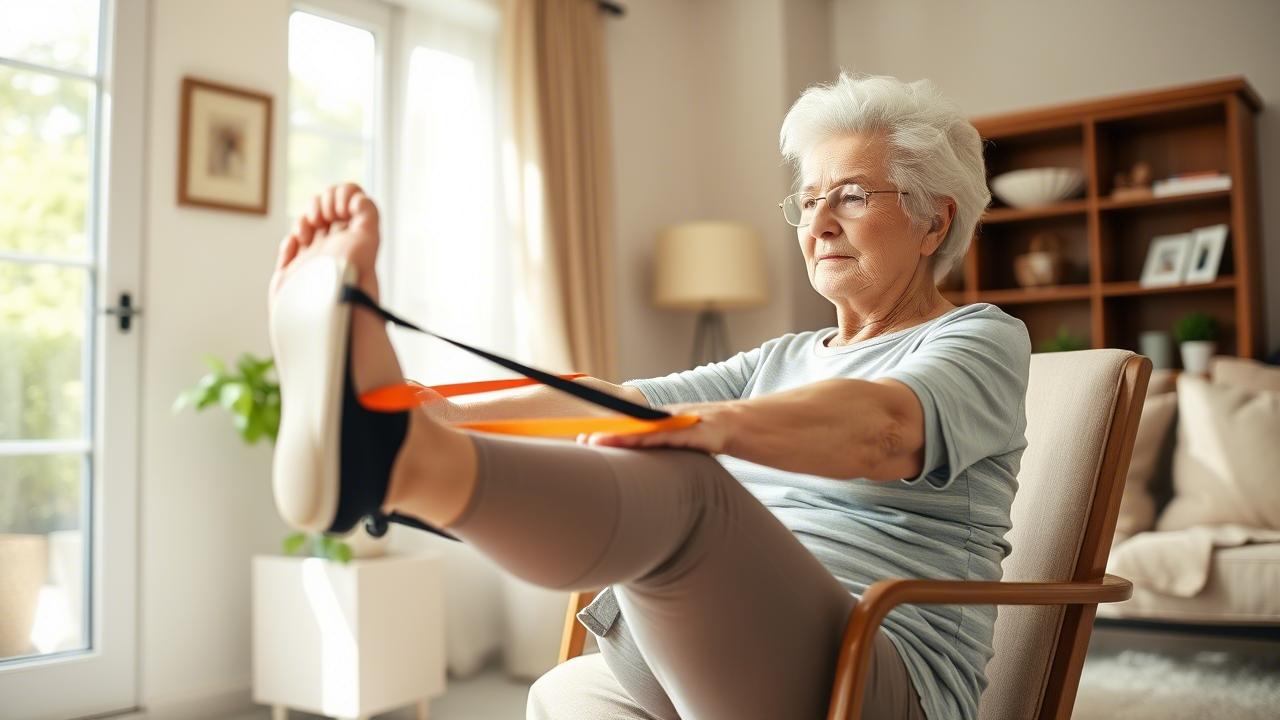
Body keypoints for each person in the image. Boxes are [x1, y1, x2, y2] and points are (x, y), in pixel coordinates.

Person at [268, 72, 1030, 720]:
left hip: (876, 672)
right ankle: (396, 431)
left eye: (854, 197)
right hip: (708, 644)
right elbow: (612, 399)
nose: (819, 223)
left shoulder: (979, 338)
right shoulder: (786, 357)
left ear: (935, 221)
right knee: (638, 451)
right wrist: (439, 405)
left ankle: (407, 467)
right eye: (807, 201)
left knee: (677, 476)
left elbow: (887, 430)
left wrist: (706, 428)